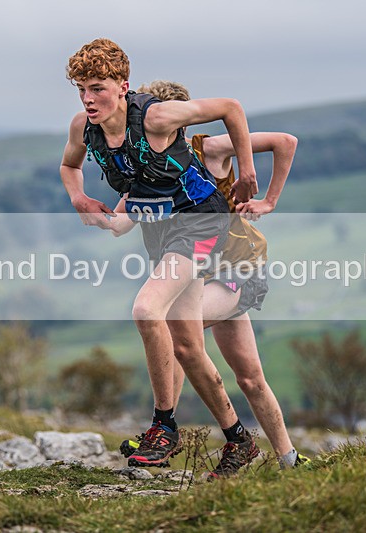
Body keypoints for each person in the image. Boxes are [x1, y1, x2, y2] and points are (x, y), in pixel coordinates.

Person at [60, 38, 260, 471]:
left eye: (97, 87)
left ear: (123, 85)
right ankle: (238, 440)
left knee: (146, 308)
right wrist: (79, 199)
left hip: (201, 222)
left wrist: (246, 171)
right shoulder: (83, 126)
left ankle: (163, 427)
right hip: (161, 234)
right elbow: (69, 166)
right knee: (186, 346)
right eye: (81, 88)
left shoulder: (156, 116)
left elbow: (231, 108)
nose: (88, 98)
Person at [113, 80, 309, 475]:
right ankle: (290, 461)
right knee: (250, 378)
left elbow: (285, 141)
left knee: (177, 331)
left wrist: (268, 199)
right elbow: (121, 220)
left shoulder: (208, 148)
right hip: (201, 274)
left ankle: (164, 431)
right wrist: (94, 208)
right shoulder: (146, 161)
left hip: (238, 270)